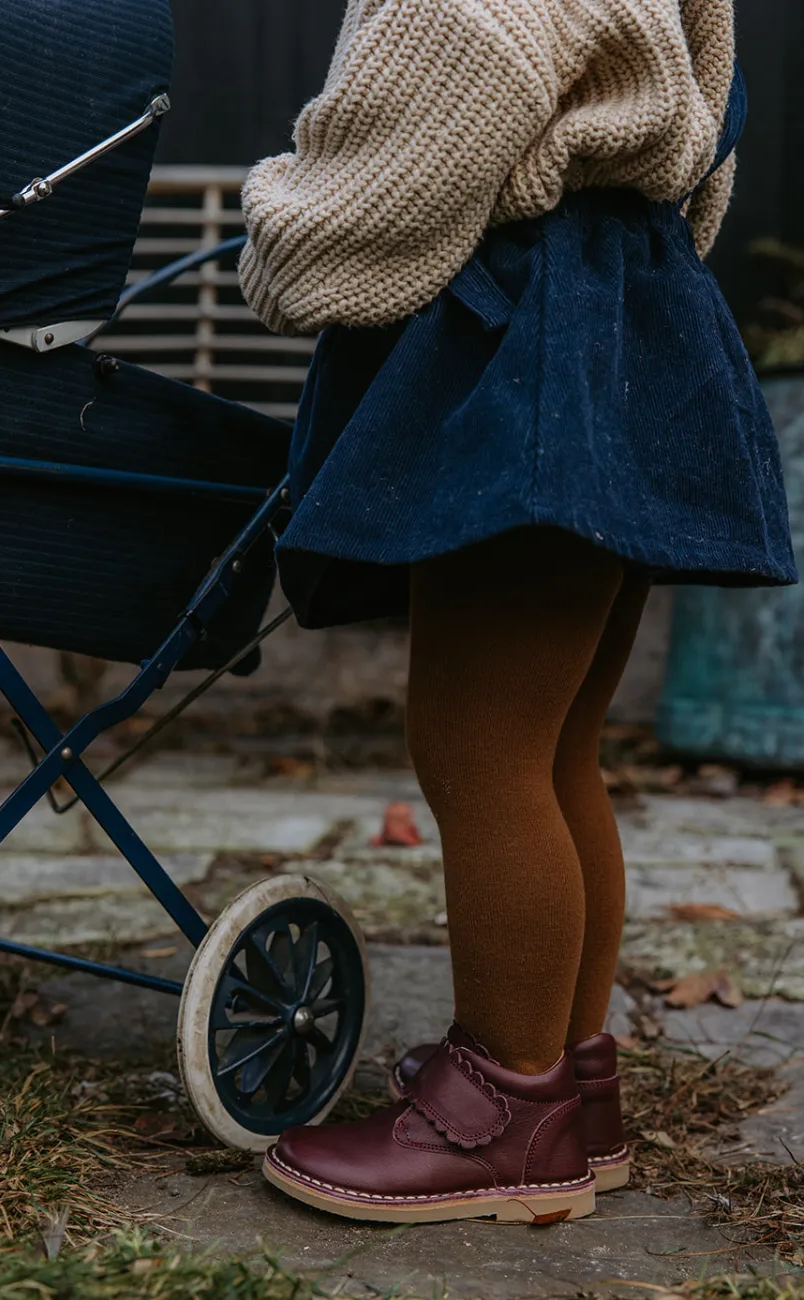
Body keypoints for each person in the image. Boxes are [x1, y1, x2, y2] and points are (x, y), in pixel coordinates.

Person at [237, 0, 797, 1224]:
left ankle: (503, 1114)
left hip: (526, 351)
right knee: (552, 749)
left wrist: (276, 233)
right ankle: (572, 1099)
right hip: (637, 320)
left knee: (478, 750)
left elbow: (395, 163)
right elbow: (708, 145)